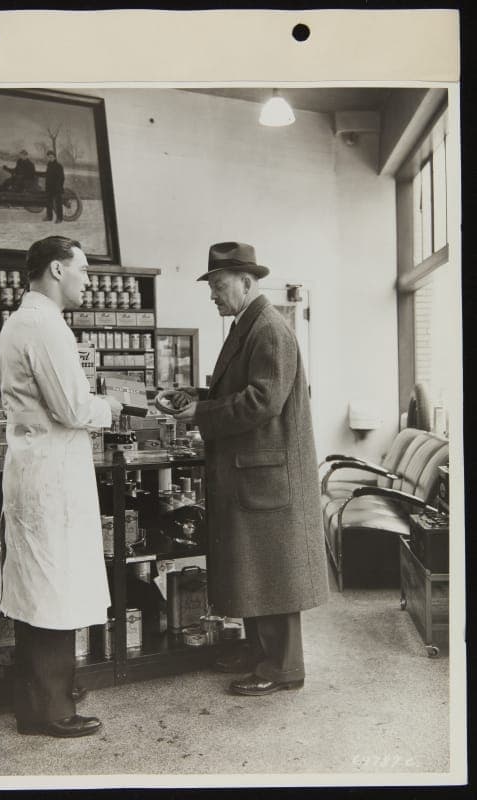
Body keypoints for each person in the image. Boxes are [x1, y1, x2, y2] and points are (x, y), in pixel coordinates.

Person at [172, 241, 329, 697]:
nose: (213, 295)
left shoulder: (269, 329)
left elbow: (262, 402)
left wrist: (200, 415)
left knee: (273, 571)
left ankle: (284, 668)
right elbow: (241, 390)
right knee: (255, 567)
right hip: (256, 470)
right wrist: (197, 399)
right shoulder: (249, 323)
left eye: (218, 286)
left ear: (246, 282)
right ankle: (260, 650)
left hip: (266, 472)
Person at [0, 236, 122, 737]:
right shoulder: (46, 328)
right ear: (55, 270)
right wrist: (108, 407)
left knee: (38, 587)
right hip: (51, 475)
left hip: (35, 467)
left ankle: (36, 703)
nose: (88, 280)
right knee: (53, 588)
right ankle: (53, 710)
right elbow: (72, 409)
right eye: (84, 270)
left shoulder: (20, 322)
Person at [44, 150, 65, 223]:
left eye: (51, 157)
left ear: (55, 157)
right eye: (49, 157)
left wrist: (58, 186)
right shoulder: (49, 165)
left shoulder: (59, 166)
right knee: (48, 203)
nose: (50, 158)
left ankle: (59, 218)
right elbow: (47, 176)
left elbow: (61, 178)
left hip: (57, 188)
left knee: (58, 204)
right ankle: (49, 217)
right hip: (49, 187)